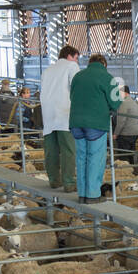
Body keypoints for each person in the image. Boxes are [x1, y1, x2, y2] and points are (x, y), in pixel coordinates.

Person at [68, 53, 121, 204]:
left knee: (81, 157)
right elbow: (116, 103)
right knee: (95, 158)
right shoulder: (107, 77)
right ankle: (92, 194)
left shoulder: (78, 76)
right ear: (104, 64)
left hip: (76, 122)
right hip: (96, 124)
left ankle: (82, 194)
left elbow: (72, 97)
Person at [39, 44, 80, 193]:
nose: (77, 62)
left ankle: (54, 180)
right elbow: (76, 87)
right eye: (76, 58)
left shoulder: (47, 70)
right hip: (65, 113)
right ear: (70, 56)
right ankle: (69, 182)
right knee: (68, 150)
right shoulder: (71, 66)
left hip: (48, 115)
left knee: (51, 150)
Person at [114, 84, 138, 160]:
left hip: (125, 134)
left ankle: (126, 171)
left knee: (124, 157)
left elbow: (121, 120)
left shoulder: (123, 103)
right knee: (131, 155)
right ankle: (132, 170)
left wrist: (116, 133)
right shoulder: (134, 103)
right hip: (134, 134)